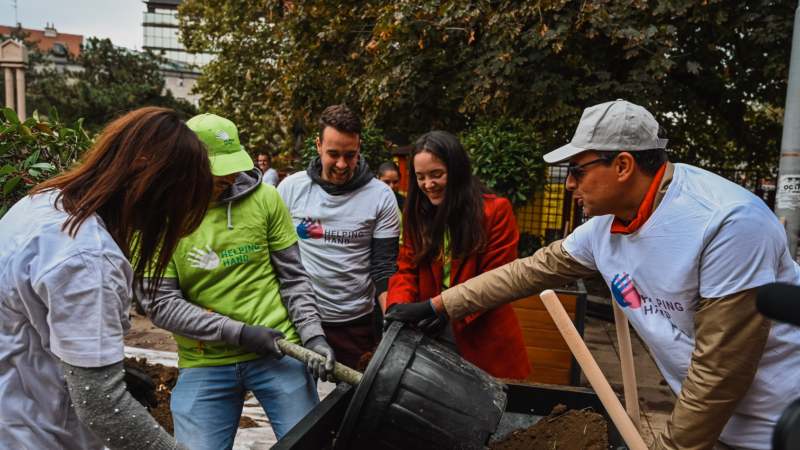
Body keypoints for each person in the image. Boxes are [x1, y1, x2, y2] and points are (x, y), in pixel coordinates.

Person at [386, 99, 800, 450]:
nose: (569, 185)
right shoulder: (604, 226)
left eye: (578, 171)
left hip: (781, 421)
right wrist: (436, 306)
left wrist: (672, 446)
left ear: (622, 165)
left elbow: (720, 368)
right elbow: (527, 271)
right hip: (714, 424)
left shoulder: (726, 223)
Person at [0, 107, 213, 449]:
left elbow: (35, 325)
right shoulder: (88, 259)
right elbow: (102, 408)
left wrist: (113, 371)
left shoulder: (43, 204)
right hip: (38, 436)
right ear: (149, 175)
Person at [136, 113, 335, 450]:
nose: (229, 176)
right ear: (187, 164)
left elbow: (294, 280)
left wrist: (314, 337)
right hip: (205, 359)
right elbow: (161, 304)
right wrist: (240, 333)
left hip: (277, 348)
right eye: (217, 170)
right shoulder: (160, 216)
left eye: (233, 165)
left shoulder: (266, 199)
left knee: (310, 444)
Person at [385, 131, 529, 379]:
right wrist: (399, 306)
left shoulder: (495, 211)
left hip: (484, 341)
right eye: (420, 177)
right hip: (430, 335)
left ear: (457, 170)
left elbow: (496, 282)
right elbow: (407, 266)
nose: (428, 184)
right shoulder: (417, 213)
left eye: (436, 174)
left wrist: (445, 309)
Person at [278, 104, 400, 369]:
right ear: (318, 145)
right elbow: (274, 258)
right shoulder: (290, 189)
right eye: (333, 154)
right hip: (300, 319)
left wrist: (392, 317)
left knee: (352, 405)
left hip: (356, 323)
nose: (342, 164)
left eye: (350, 155)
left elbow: (383, 267)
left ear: (360, 147)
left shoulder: (381, 196)